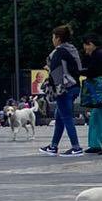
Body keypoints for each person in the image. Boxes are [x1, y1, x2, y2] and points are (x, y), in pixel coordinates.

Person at [40, 24, 84, 156]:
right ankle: (53, 146)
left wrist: (49, 73)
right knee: (59, 116)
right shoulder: (72, 49)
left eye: (53, 37)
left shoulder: (58, 52)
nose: (52, 40)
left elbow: (57, 74)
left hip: (64, 89)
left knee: (66, 117)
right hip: (75, 86)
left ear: (58, 38)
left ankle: (76, 147)